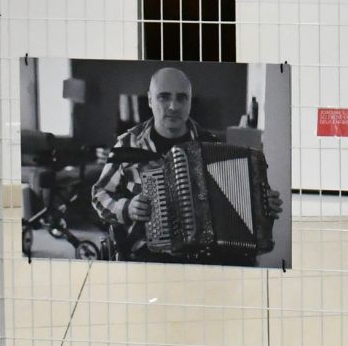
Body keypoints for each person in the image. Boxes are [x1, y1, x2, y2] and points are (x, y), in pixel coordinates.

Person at [91, 67, 283, 264]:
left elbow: (239, 197)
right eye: (164, 97)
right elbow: (99, 194)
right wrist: (127, 208)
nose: (173, 106)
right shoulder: (127, 144)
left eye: (182, 98)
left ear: (190, 102)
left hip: (205, 257)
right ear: (150, 100)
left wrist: (263, 204)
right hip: (146, 257)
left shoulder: (212, 145)